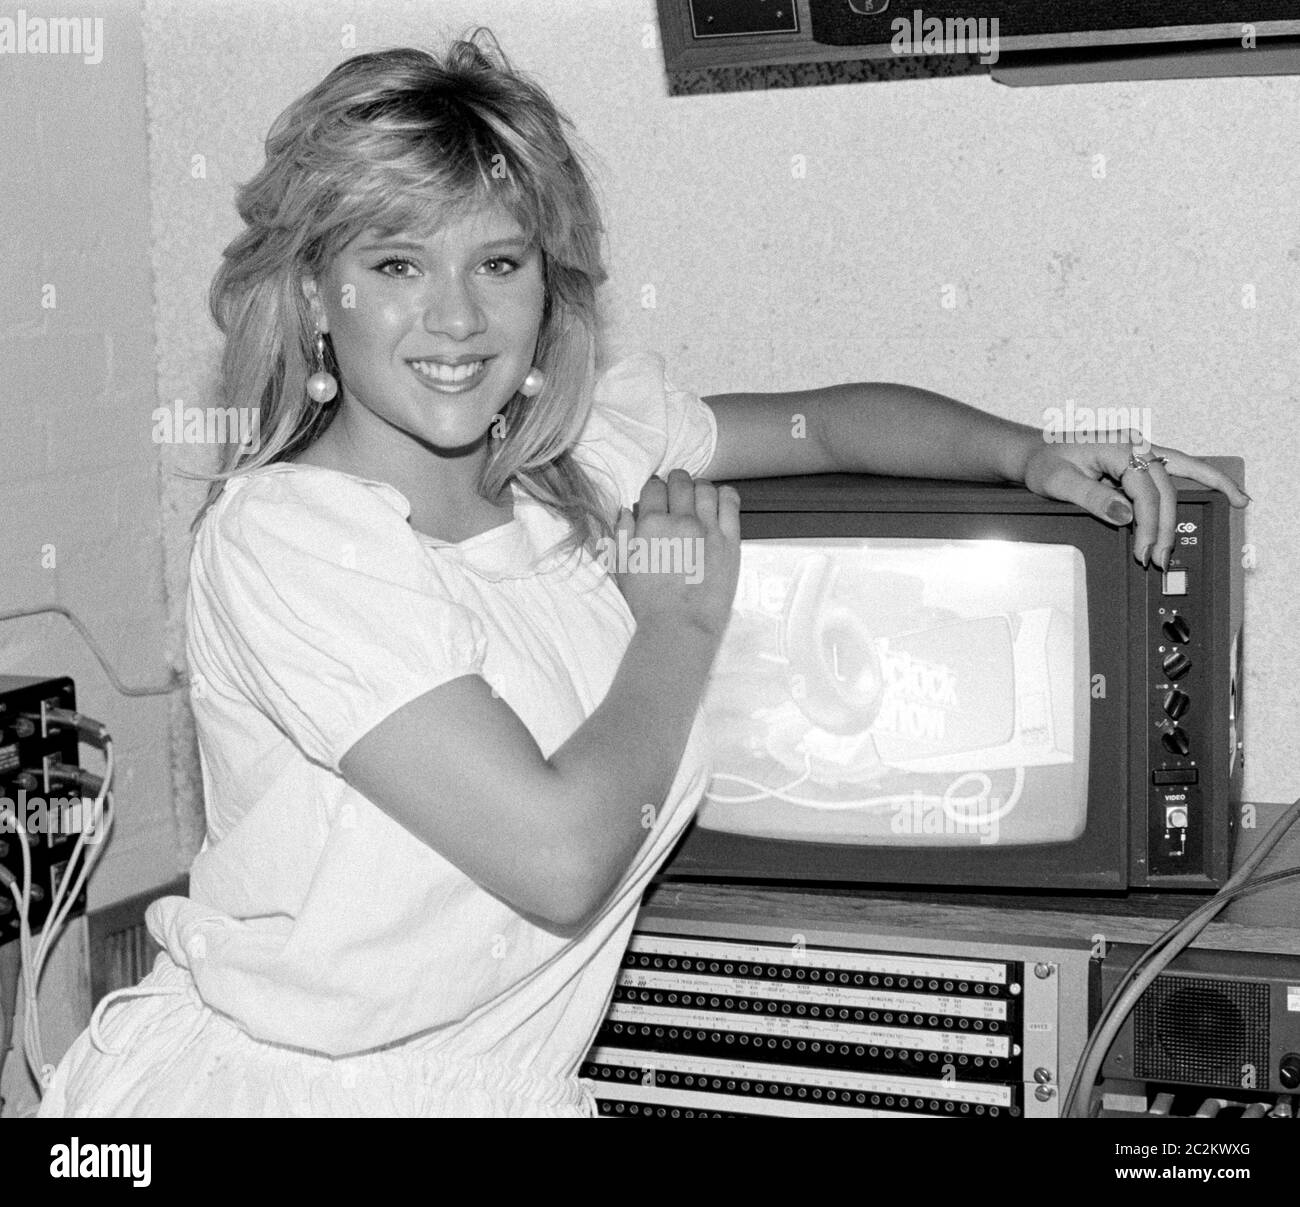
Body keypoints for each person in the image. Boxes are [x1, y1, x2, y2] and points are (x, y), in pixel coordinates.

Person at [37, 31, 1248, 1118]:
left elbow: (823, 427)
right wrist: (675, 623)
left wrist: (1027, 453)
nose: (456, 318)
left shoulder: (581, 456)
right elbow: (558, 856)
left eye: (499, 264)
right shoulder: (291, 539)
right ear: (313, 289)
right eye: (396, 264)